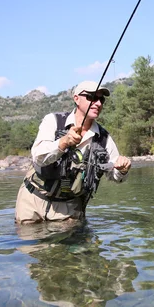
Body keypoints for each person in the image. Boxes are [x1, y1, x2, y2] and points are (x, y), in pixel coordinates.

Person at [15, 80, 131, 224]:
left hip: (69, 208)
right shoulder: (53, 121)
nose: (98, 103)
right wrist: (63, 142)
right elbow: (38, 157)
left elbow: (115, 176)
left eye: (101, 99)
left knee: (67, 245)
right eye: (92, 97)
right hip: (32, 199)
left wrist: (123, 170)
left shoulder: (104, 138)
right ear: (76, 99)